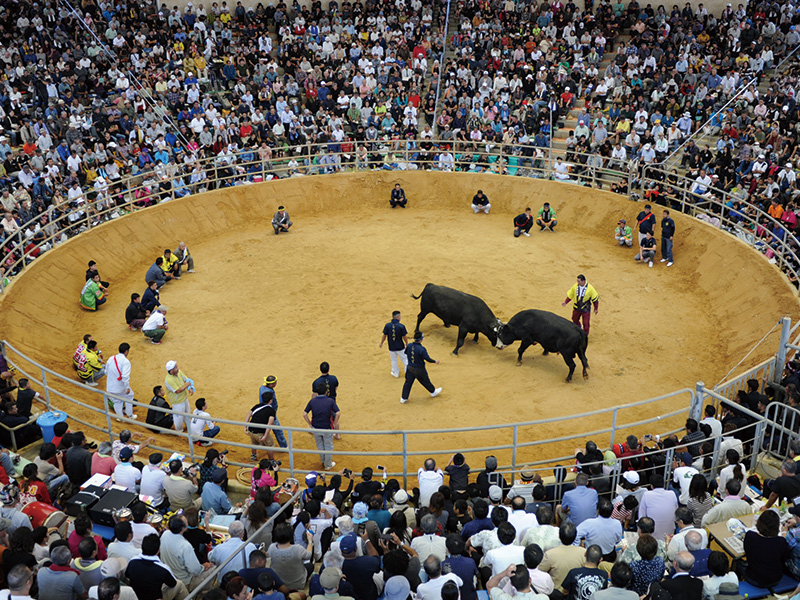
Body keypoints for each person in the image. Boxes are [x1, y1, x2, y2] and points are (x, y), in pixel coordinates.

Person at [126, 534, 184, 600]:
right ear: (159, 550)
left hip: (136, 596)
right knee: (179, 584)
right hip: (155, 598)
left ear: (142, 547)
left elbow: (127, 575)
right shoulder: (163, 569)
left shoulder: (132, 561)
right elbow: (173, 584)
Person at [743, 508, 789, 587]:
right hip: (775, 579)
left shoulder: (750, 536)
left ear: (759, 522)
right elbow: (784, 558)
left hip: (754, 578)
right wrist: (784, 533)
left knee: (738, 563)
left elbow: (746, 550)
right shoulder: (781, 542)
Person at [303, 381, 340, 470]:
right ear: (326, 392)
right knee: (328, 446)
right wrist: (334, 424)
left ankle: (323, 461)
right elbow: (338, 413)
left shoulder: (312, 401)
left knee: (320, 445)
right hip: (327, 427)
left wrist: (310, 424)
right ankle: (327, 464)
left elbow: (304, 414)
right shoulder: (330, 401)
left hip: (316, 428)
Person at [575, 498, 622, 563]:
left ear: (598, 510)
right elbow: (618, 541)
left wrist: (579, 546)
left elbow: (575, 534)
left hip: (592, 556)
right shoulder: (617, 523)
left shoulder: (589, 523)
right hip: (609, 556)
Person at [400, 330, 442, 404]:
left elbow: (406, 353)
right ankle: (433, 391)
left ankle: (404, 398)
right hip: (419, 369)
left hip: (410, 367)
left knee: (408, 383)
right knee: (425, 381)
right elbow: (427, 359)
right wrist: (435, 361)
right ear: (421, 340)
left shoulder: (409, 345)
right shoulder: (422, 349)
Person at [106, 343, 136, 420]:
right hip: (120, 387)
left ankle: (120, 417)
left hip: (110, 387)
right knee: (130, 396)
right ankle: (129, 415)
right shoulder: (125, 361)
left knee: (117, 401)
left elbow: (106, 372)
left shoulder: (111, 358)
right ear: (126, 351)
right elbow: (125, 376)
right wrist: (127, 387)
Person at [245, 395, 278, 464]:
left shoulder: (257, 406)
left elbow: (248, 414)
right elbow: (270, 424)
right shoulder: (271, 410)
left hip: (251, 430)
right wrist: (265, 436)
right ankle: (271, 460)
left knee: (254, 443)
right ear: (270, 400)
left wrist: (245, 427)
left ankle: (253, 456)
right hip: (260, 432)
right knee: (270, 445)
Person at [165, 360, 194, 432]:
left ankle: (189, 426)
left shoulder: (179, 372)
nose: (177, 368)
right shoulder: (168, 380)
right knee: (179, 417)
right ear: (171, 371)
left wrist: (189, 388)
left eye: (176, 366)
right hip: (177, 402)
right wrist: (186, 386)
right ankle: (179, 431)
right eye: (175, 368)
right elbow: (177, 391)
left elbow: (186, 379)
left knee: (187, 412)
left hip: (184, 397)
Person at [380, 311, 409, 379]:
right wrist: (407, 343)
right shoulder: (401, 326)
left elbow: (384, 335)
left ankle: (395, 373)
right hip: (400, 347)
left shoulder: (387, 325)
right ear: (397, 317)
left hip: (391, 347)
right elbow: (404, 336)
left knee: (394, 360)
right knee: (405, 359)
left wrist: (381, 343)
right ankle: (407, 372)